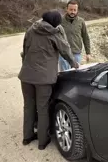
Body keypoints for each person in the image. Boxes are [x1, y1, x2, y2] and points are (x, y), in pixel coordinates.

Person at [18, 10, 79, 150]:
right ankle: (42, 141)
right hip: (44, 79)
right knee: (43, 108)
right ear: (56, 23)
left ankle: (27, 137)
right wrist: (75, 64)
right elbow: (66, 51)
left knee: (28, 107)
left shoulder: (31, 29)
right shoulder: (54, 34)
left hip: (26, 76)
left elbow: (24, 50)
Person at [59, 0, 91, 71]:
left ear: (77, 10)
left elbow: (85, 37)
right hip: (63, 53)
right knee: (65, 74)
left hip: (76, 53)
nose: (72, 12)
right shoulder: (60, 20)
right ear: (67, 9)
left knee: (76, 73)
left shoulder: (81, 21)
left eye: (74, 10)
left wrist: (88, 52)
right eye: (70, 9)